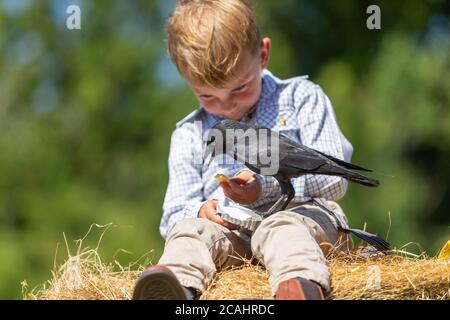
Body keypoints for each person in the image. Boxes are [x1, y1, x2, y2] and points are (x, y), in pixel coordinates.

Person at [133, 0, 353, 300]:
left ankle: (298, 286)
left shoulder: (302, 99)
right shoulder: (189, 133)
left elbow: (335, 179)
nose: (227, 105)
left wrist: (265, 189)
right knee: (190, 233)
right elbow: (172, 215)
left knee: (283, 227)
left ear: (263, 54)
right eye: (207, 96)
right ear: (183, 76)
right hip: (231, 238)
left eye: (239, 88)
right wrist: (202, 211)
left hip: (302, 221)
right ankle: (175, 288)